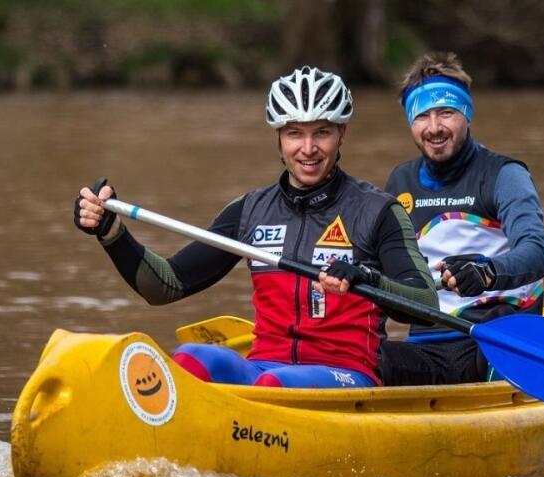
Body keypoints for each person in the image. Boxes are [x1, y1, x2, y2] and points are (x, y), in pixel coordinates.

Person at [74, 66, 437, 388]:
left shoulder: (377, 211)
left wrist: (365, 279)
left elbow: (424, 302)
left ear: (342, 134)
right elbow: (165, 285)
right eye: (295, 133)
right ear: (278, 137)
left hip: (345, 373)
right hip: (265, 366)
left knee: (274, 383)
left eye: (321, 133)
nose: (308, 149)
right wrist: (111, 234)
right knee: (191, 358)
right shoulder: (250, 211)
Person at [379, 52, 544, 386]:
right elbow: (385, 269)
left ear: (466, 115)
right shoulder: (399, 182)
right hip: (426, 348)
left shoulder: (504, 175)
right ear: (411, 123)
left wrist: (487, 272)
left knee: (501, 329)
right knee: (368, 356)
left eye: (446, 112)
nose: (434, 128)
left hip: (494, 340)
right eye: (422, 116)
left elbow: (537, 250)